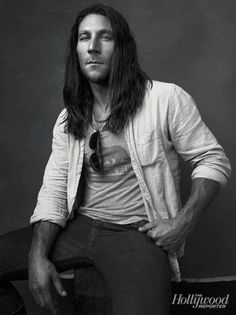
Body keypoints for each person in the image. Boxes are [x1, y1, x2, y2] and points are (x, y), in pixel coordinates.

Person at [0, 3, 231, 315]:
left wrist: (182, 222)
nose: (93, 48)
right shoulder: (69, 118)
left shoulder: (165, 100)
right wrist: (37, 255)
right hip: (78, 228)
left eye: (104, 37)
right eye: (84, 38)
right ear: (76, 49)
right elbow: (54, 190)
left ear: (122, 47)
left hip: (134, 235)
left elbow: (212, 160)